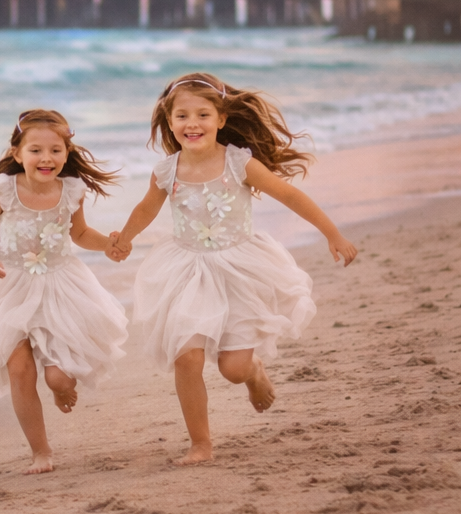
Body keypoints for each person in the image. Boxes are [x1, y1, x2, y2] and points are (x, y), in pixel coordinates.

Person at [109, 72, 357, 465]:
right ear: (169, 122)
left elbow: (290, 194)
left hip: (239, 270)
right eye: (183, 116)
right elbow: (145, 209)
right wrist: (123, 238)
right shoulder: (166, 170)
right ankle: (200, 443)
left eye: (203, 115)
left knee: (233, 368)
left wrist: (332, 234)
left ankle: (254, 372)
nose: (193, 124)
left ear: (222, 119)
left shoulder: (239, 162)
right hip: (186, 271)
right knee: (186, 356)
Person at [0, 108, 128, 474]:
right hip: (8, 287)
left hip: (59, 287)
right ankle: (41, 451)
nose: (46, 158)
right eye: (36, 150)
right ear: (17, 154)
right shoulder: (4, 190)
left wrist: (107, 244)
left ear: (67, 153)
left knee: (58, 377)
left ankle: (62, 387)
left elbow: (79, 234)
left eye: (55, 151)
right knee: (20, 370)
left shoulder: (72, 192)